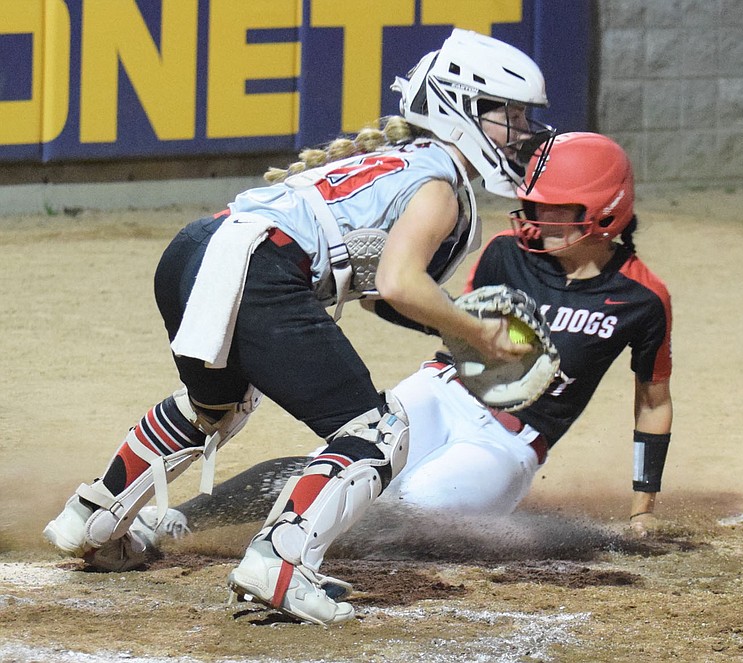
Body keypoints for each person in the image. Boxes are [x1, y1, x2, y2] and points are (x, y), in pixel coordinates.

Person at [42, 28, 558, 626]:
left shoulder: (402, 160)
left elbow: (377, 295)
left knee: (214, 406)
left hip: (195, 249)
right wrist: (477, 332)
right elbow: (397, 285)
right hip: (256, 265)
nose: (523, 131)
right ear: (461, 108)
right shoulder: (440, 183)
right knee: (378, 431)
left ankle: (93, 518)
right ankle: (280, 566)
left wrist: (449, 329)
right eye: (510, 114)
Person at [133, 132, 673, 554]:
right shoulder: (508, 253)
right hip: (441, 390)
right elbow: (449, 320)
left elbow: (653, 403)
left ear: (607, 211)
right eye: (535, 206)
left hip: (509, 442)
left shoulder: (641, 299)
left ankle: (286, 548)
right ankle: (182, 519)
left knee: (413, 510)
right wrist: (392, 299)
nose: (539, 220)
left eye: (560, 210)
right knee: (347, 462)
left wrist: (642, 508)